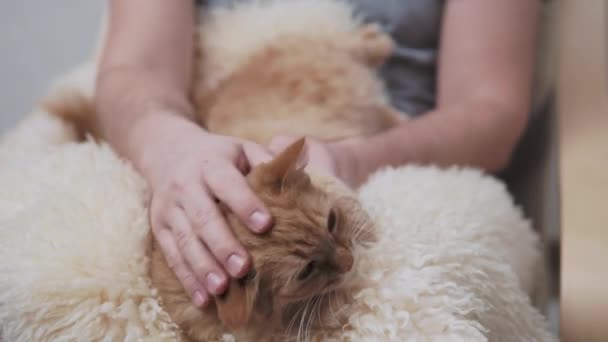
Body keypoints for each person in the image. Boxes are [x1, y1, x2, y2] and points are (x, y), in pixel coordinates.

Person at [95, 0, 540, 307]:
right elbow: (135, 68)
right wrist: (170, 145)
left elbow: (490, 111)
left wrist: (358, 160)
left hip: (398, 152)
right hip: (200, 130)